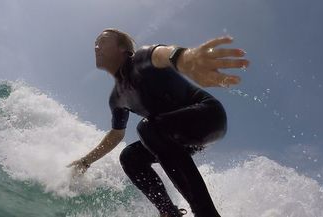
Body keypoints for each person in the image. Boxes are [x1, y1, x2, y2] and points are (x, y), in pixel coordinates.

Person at [68, 28, 249, 217]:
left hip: (208, 116)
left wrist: (186, 57)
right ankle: (169, 213)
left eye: (103, 41)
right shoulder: (116, 98)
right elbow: (116, 134)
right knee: (130, 157)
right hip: (174, 137)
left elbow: (162, 54)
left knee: (148, 128)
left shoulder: (139, 60)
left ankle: (206, 214)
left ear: (124, 49)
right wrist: (86, 161)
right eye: (95, 43)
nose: (96, 46)